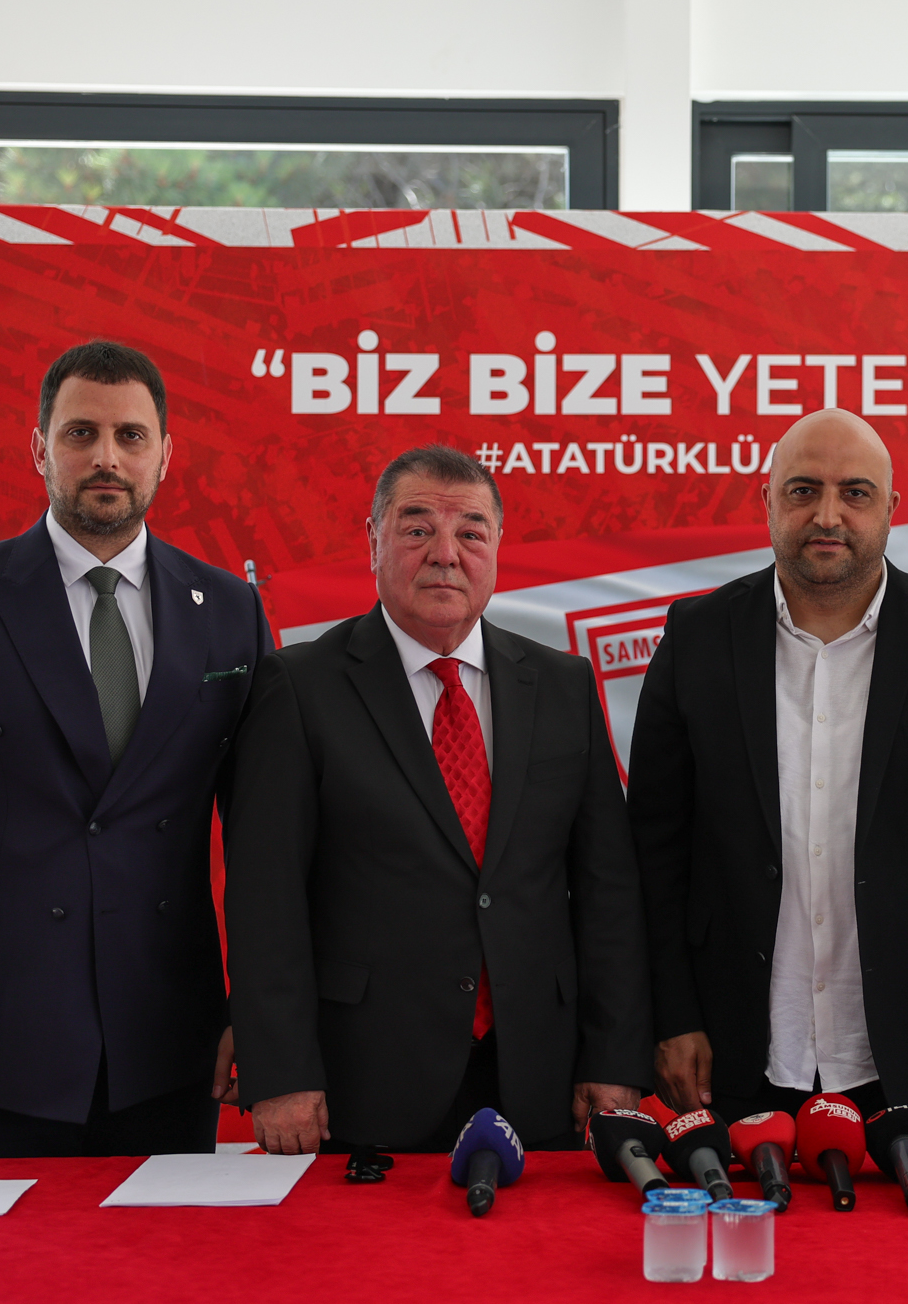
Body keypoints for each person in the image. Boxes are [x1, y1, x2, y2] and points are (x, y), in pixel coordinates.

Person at [0, 341, 272, 1157]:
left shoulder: (231, 612)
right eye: (81, 433)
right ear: (40, 449)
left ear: (164, 455)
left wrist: (260, 1015)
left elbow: (266, 842)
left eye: (130, 436)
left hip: (170, 1051)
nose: (106, 457)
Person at [628, 408, 908, 1128]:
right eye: (803, 490)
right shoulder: (696, 636)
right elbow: (652, 850)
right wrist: (670, 1018)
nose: (828, 515)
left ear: (890, 508)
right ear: (767, 501)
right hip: (734, 1054)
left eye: (855, 493)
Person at [224, 444, 650, 1155]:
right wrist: (283, 1072)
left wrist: (614, 1056)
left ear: (497, 548)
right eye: (417, 528)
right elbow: (266, 899)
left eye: (471, 533)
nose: (445, 554)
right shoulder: (299, 687)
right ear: (374, 541)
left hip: (538, 1072)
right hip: (366, 1078)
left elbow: (609, 888)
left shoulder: (564, 686)